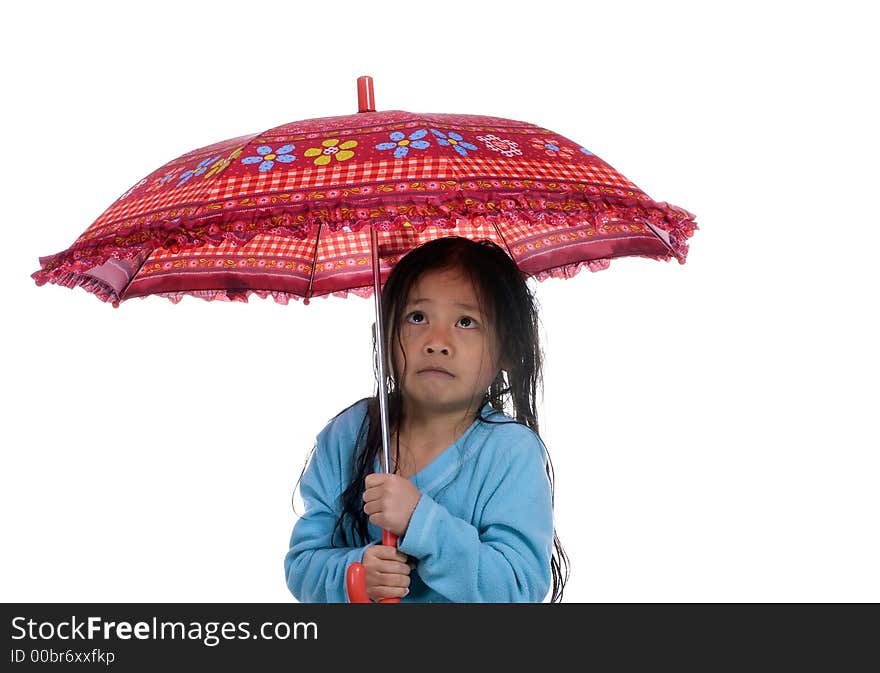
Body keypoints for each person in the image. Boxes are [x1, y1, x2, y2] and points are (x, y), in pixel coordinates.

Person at [284, 236, 569, 602]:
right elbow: (303, 564)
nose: (437, 342)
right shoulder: (348, 434)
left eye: (466, 322)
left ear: (508, 350)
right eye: (417, 317)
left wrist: (421, 522)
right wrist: (357, 572)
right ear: (385, 336)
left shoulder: (511, 453)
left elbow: (517, 588)